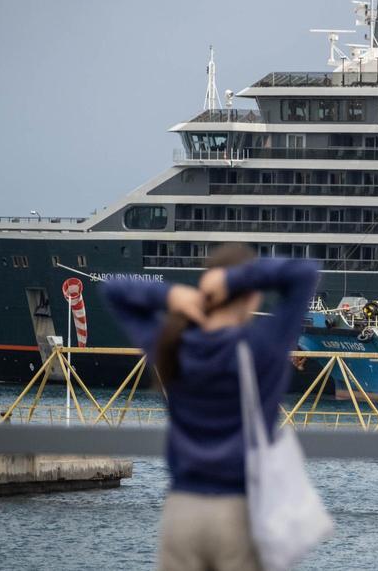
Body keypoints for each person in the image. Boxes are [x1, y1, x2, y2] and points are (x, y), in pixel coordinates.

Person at [101, 244, 320, 571]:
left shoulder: (173, 346)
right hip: (241, 510)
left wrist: (172, 295)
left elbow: (114, 290)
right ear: (253, 296)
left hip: (182, 512)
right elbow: (304, 272)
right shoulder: (263, 346)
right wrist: (235, 280)